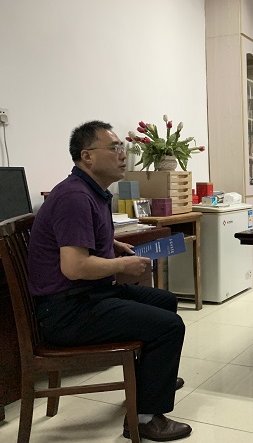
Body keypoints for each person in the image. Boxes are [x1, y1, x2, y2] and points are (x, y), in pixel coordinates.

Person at [28, 121, 192, 441]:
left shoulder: (92, 192)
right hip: (67, 312)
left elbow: (81, 240)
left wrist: (113, 245)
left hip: (86, 297)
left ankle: (150, 381)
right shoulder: (74, 197)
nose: (123, 154)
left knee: (166, 301)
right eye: (115, 148)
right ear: (87, 156)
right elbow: (74, 267)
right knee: (169, 326)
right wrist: (122, 264)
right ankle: (144, 418)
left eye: (123, 148)